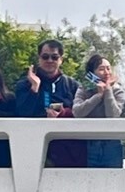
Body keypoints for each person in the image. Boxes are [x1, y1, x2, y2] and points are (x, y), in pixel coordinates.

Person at [16, 39, 85, 168]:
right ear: (39, 58)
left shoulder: (73, 85)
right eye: (45, 57)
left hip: (68, 151)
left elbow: (82, 112)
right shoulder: (24, 84)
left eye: (54, 57)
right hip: (34, 150)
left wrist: (64, 114)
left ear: (61, 60)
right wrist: (34, 88)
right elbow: (22, 113)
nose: (49, 61)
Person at [73, 54, 125, 168]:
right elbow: (77, 112)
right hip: (88, 144)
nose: (106, 72)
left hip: (111, 145)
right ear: (92, 73)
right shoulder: (84, 89)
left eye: (108, 68)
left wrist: (108, 91)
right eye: (101, 69)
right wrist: (98, 96)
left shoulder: (118, 90)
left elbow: (113, 116)